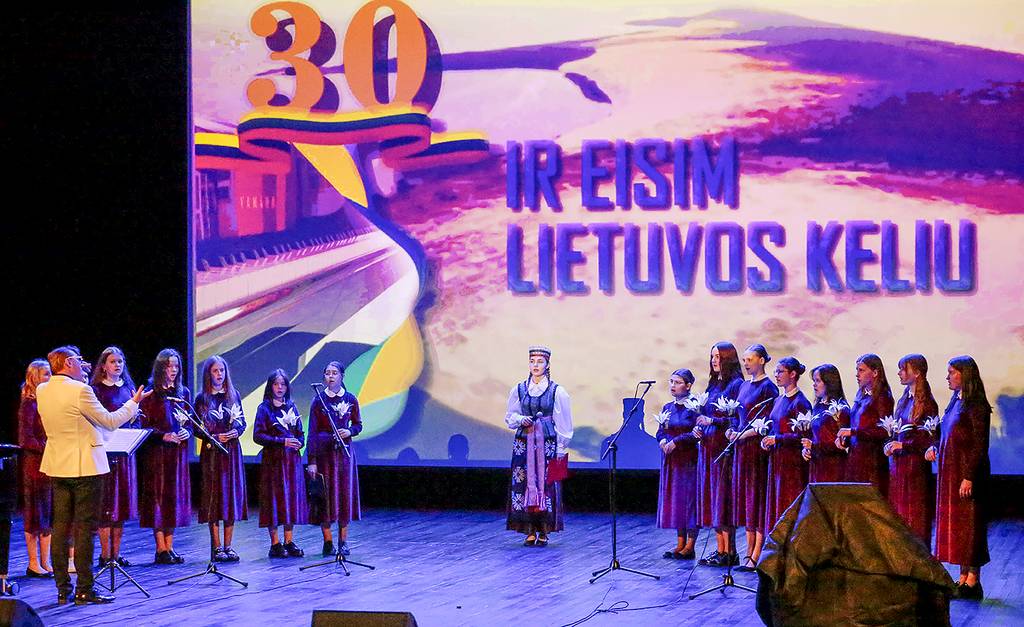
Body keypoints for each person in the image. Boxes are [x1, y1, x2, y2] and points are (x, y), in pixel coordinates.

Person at [35, 346, 149, 605]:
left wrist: (81, 377)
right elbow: (110, 421)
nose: (83, 363)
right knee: (85, 529)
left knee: (60, 528)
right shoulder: (80, 390)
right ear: (67, 363)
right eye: (78, 360)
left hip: (57, 465)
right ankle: (84, 589)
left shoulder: (43, 389)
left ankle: (63, 588)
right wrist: (134, 403)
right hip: (85, 466)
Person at [929, 355, 991, 600]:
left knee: (970, 524)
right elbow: (946, 433)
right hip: (951, 474)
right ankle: (963, 577)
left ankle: (973, 581)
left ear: (964, 375)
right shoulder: (956, 401)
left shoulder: (976, 405)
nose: (947, 377)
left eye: (952, 372)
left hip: (967, 475)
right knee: (960, 526)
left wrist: (969, 476)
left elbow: (979, 444)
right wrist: (935, 446)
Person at [505, 346, 573, 547]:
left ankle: (543, 530)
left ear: (547, 364)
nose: (535, 365)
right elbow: (510, 416)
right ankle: (528, 529)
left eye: (540, 362)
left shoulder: (556, 391)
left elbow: (564, 423)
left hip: (548, 443)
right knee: (523, 483)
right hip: (524, 442)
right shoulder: (519, 389)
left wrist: (561, 448)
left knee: (547, 484)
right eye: (532, 361)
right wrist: (520, 419)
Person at [138, 348, 192, 565]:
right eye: (169, 366)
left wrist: (187, 432)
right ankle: (160, 547)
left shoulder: (182, 393)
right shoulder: (151, 393)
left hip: (177, 455)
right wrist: (163, 436)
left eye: (176, 366)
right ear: (161, 368)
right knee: (159, 499)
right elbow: (143, 425)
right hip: (158, 454)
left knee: (173, 499)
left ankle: (170, 546)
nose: (173, 370)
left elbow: (189, 421)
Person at [728, 344, 778, 572]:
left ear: (762, 360)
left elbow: (767, 423)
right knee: (746, 502)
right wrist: (732, 430)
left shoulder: (769, 388)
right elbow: (738, 415)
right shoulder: (743, 386)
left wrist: (743, 434)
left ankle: (757, 554)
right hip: (741, 450)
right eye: (744, 360)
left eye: (750, 359)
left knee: (756, 500)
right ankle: (748, 551)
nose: (746, 364)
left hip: (756, 450)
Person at [90, 347, 141, 568]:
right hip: (105, 452)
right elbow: (98, 420)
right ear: (103, 365)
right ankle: (105, 555)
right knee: (106, 506)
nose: (117, 365)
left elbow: (137, 419)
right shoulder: (96, 390)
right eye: (113, 361)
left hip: (125, 454)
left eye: (120, 361)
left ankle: (116, 555)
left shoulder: (128, 389)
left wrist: (133, 428)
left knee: (121, 507)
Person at [195, 356, 248, 562]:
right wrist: (214, 437)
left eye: (222, 371)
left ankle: (228, 546)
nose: (219, 375)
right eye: (215, 371)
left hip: (231, 452)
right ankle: (216, 547)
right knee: (214, 498)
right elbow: (196, 428)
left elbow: (242, 422)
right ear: (208, 374)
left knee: (230, 497)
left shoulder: (233, 395)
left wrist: (236, 431)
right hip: (212, 454)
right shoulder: (202, 398)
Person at [307, 361, 362, 557]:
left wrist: (349, 431)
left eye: (334, 373)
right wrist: (312, 460)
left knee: (344, 496)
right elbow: (312, 432)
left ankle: (343, 541)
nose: (330, 376)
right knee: (326, 497)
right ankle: (328, 541)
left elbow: (358, 425)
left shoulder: (350, 399)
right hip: (324, 455)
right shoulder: (318, 401)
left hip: (344, 455)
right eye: (327, 373)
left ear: (342, 376)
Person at [884, 354, 939, 546]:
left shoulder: (927, 403)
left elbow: (929, 438)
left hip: (915, 468)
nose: (899, 373)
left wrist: (904, 445)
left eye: (903, 369)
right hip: (899, 466)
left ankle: (919, 555)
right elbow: (896, 430)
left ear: (916, 373)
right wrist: (890, 443)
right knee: (899, 513)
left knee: (915, 514)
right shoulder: (903, 400)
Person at [696, 342, 742, 567]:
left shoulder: (736, 385)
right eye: (712, 356)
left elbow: (736, 418)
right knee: (712, 498)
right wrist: (699, 427)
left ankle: (730, 550)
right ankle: (720, 548)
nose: (714, 361)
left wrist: (713, 421)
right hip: (708, 447)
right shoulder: (713, 385)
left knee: (723, 498)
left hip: (723, 449)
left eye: (718, 357)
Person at [253, 369, 307, 558]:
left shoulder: (291, 406)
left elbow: (300, 433)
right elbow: (258, 436)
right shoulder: (264, 408)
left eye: (283, 384)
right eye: (276, 384)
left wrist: (299, 442)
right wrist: (282, 441)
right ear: (270, 386)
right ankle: (275, 543)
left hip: (292, 462)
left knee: (290, 499)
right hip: (273, 463)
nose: (280, 388)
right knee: (274, 500)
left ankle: (289, 541)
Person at [760, 357, 812, 536]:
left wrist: (778, 439)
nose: (776, 375)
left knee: (788, 502)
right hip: (777, 460)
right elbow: (774, 427)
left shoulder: (800, 402)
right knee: (776, 502)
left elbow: (803, 436)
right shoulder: (778, 400)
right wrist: (767, 440)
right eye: (775, 371)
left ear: (793, 374)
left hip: (792, 463)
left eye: (780, 371)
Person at [655, 369, 701, 559]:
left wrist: (676, 441)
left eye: (678, 382)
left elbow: (697, 432)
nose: (673, 386)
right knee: (677, 500)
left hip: (688, 460)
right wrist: (663, 441)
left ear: (688, 385)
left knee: (689, 500)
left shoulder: (695, 407)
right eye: (671, 382)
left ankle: (690, 545)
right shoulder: (668, 407)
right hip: (671, 460)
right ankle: (680, 542)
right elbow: (661, 431)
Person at [838, 354, 895, 496]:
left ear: (875, 372)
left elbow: (884, 431)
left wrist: (853, 432)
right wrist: (845, 440)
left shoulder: (883, 397)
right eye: (857, 370)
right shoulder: (861, 395)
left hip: (872, 463)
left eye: (861, 370)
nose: (857, 374)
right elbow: (856, 424)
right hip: (855, 459)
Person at [18, 360, 53, 578]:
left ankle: (46, 562)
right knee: (34, 514)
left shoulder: (48, 402)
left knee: (47, 513)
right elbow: (25, 438)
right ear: (35, 377)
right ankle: (33, 562)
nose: (50, 378)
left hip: (50, 463)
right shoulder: (29, 405)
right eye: (46, 374)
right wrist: (47, 447)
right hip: (34, 464)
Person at [802, 364, 850, 482]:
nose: (814, 384)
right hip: (817, 465)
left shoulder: (840, 408)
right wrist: (807, 450)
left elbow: (842, 444)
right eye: (814, 381)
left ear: (829, 383)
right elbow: (815, 436)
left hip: (833, 467)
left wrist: (814, 446)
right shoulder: (818, 406)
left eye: (818, 381)